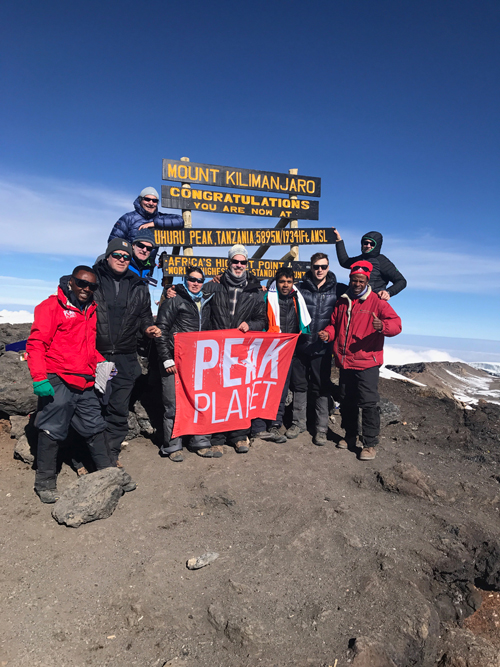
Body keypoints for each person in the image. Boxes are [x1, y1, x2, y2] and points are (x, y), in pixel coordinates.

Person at [26, 266, 117, 503]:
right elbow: (36, 344)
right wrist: (39, 378)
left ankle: (109, 474)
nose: (86, 289)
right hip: (57, 376)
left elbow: (85, 347)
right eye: (81, 283)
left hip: (84, 378)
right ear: (70, 282)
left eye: (91, 286)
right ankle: (44, 482)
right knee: (52, 428)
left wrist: (102, 362)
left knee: (95, 425)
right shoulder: (51, 307)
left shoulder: (90, 309)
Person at [319, 260, 402, 460]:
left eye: (361, 280)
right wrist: (328, 334)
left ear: (367, 280)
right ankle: (349, 435)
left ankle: (370, 443)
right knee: (347, 400)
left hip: (367, 362)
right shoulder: (342, 301)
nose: (357, 283)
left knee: (368, 402)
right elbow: (334, 325)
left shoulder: (377, 301)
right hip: (345, 360)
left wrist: (382, 326)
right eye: (354, 280)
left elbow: (396, 324)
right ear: (350, 279)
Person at [93, 239, 161, 466]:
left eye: (125, 257)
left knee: (118, 409)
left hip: (124, 355)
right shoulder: (94, 280)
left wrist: (147, 328)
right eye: (117, 255)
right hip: (97, 355)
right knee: (96, 406)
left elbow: (143, 315)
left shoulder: (139, 285)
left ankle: (110, 456)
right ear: (108, 256)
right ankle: (91, 455)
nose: (122, 259)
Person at [203, 244, 266, 455]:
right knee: (218, 393)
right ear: (228, 263)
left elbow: (262, 319)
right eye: (235, 261)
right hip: (217, 349)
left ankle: (239, 435)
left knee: (240, 393)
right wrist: (171, 292)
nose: (238, 265)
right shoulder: (213, 286)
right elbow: (197, 308)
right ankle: (217, 438)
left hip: (241, 350)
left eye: (242, 262)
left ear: (247, 264)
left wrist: (252, 325)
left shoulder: (255, 291)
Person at [155, 266, 216, 461]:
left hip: (198, 363)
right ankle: (173, 445)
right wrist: (166, 358)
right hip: (174, 361)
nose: (196, 283)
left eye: (199, 280)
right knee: (172, 405)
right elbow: (161, 330)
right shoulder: (174, 300)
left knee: (200, 401)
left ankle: (200, 441)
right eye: (192, 279)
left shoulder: (207, 301)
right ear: (185, 279)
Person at [285, 253, 346, 446]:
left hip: (322, 347)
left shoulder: (338, 290)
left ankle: (321, 429)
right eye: (316, 266)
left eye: (323, 266)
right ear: (310, 267)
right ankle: (298, 423)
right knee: (299, 386)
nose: (320, 270)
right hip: (301, 345)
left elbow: (341, 316)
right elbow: (279, 288)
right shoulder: (300, 288)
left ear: (328, 267)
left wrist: (382, 292)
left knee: (322, 387)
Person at [251, 267, 311, 444]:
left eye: (289, 282)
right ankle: (260, 425)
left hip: (290, 351)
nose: (285, 285)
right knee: (267, 387)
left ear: (293, 283)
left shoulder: (297, 298)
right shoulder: (266, 297)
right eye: (282, 281)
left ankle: (275, 423)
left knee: (283, 389)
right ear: (276, 282)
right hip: (269, 350)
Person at [108, 187, 184, 278]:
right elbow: (114, 242)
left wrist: (154, 223)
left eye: (154, 201)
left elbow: (180, 221)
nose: (151, 203)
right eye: (147, 199)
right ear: (140, 200)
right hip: (127, 268)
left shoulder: (159, 218)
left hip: (146, 270)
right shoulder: (128, 218)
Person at [334, 229, 406, 300]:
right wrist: (338, 241)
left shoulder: (382, 261)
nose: (368, 246)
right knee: (335, 286)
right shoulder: (359, 259)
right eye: (365, 243)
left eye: (372, 244)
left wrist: (388, 292)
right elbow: (344, 262)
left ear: (377, 246)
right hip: (354, 298)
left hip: (372, 301)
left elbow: (401, 281)